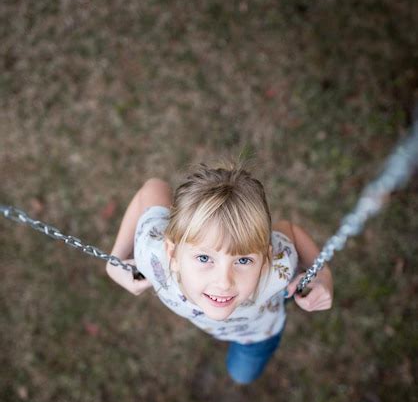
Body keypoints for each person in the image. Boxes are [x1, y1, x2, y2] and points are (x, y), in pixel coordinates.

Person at [106, 163, 333, 384]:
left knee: (242, 375)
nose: (224, 282)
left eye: (243, 260)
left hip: (256, 333)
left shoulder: (277, 270)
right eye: (204, 258)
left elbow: (290, 231)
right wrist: (115, 260)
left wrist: (323, 276)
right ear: (172, 254)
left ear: (265, 260)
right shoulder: (153, 256)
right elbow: (153, 187)